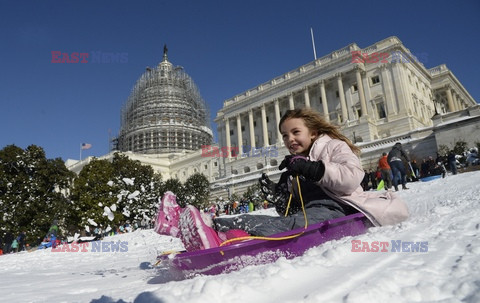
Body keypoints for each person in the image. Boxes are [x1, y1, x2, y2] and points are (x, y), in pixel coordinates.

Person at [155, 108, 409, 252]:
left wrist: (313, 169)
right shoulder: (293, 166)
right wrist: (278, 194)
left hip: (338, 209)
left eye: (296, 132)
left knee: (285, 228)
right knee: (260, 219)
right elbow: (288, 209)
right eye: (285, 136)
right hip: (310, 213)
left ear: (313, 132)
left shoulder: (333, 146)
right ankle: (203, 223)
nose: (290, 140)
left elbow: (353, 178)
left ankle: (224, 239)